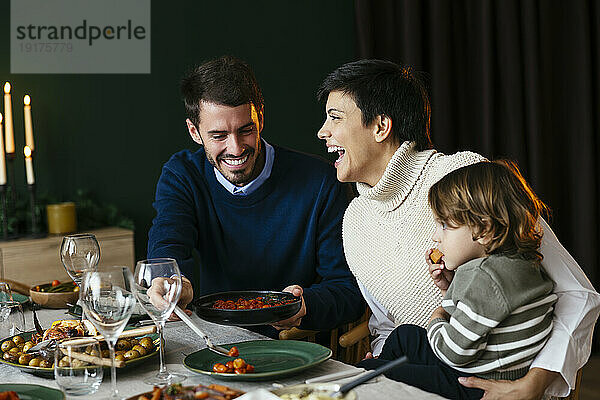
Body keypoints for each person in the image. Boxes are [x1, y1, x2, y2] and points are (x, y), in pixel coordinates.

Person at [316, 59, 600, 399]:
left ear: (380, 126)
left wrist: (531, 385)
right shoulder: (354, 221)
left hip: (492, 380)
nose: (322, 132)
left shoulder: (464, 178)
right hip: (427, 372)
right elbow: (386, 327)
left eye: (335, 117)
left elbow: (577, 294)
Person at [147, 56, 365, 335]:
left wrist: (303, 306)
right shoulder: (182, 175)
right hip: (214, 337)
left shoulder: (321, 181)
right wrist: (172, 282)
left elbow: (347, 290)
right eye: (218, 136)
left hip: (295, 347)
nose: (235, 148)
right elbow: (168, 244)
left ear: (260, 117)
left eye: (246, 130)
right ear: (194, 132)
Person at [359, 160, 557, 399]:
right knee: (406, 335)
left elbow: (454, 352)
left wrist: (437, 316)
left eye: (444, 226)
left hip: (472, 384)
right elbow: (491, 317)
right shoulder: (523, 263)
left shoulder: (479, 276)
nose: (435, 236)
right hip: (497, 369)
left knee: (367, 372)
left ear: (484, 229)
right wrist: (450, 289)